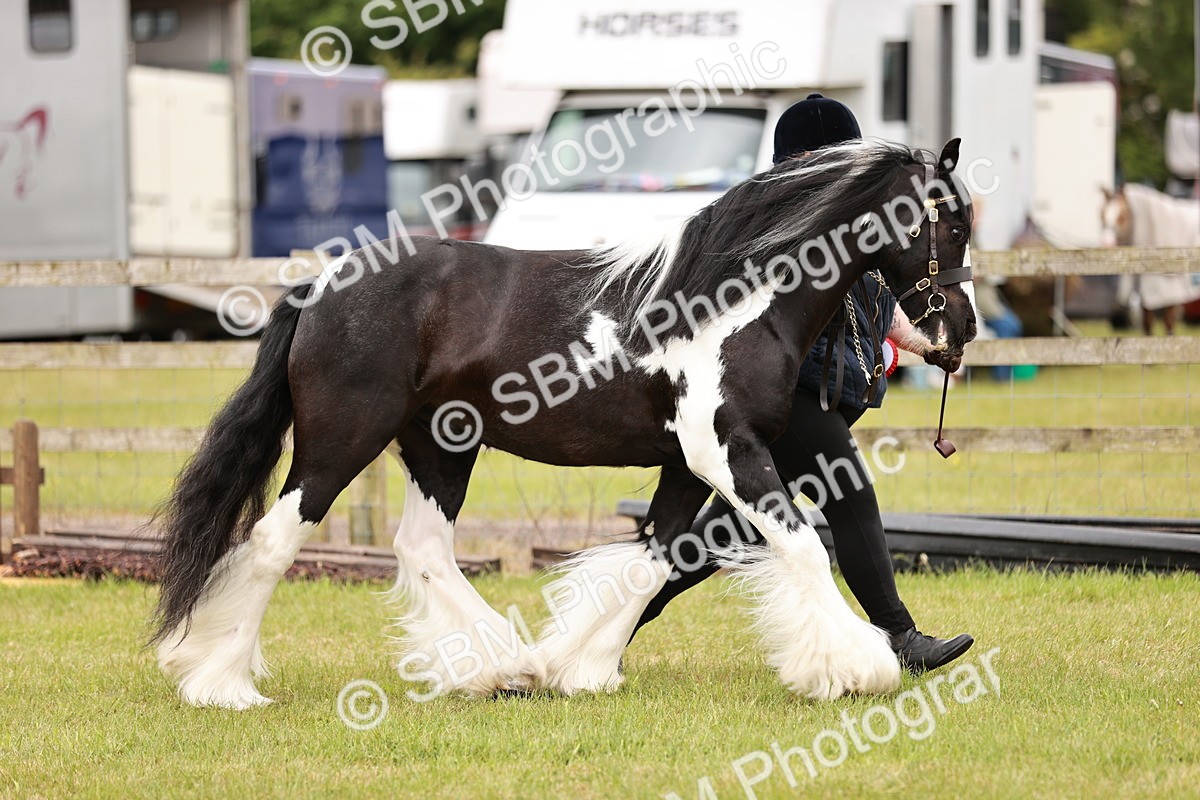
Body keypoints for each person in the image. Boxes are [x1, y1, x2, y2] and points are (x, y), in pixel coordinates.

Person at [629, 94, 974, 674]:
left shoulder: (852, 222)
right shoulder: (781, 224)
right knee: (850, 491)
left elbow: (877, 304)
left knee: (719, 533)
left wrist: (926, 343)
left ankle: (615, 620)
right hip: (786, 398)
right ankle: (899, 635)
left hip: (818, 395)